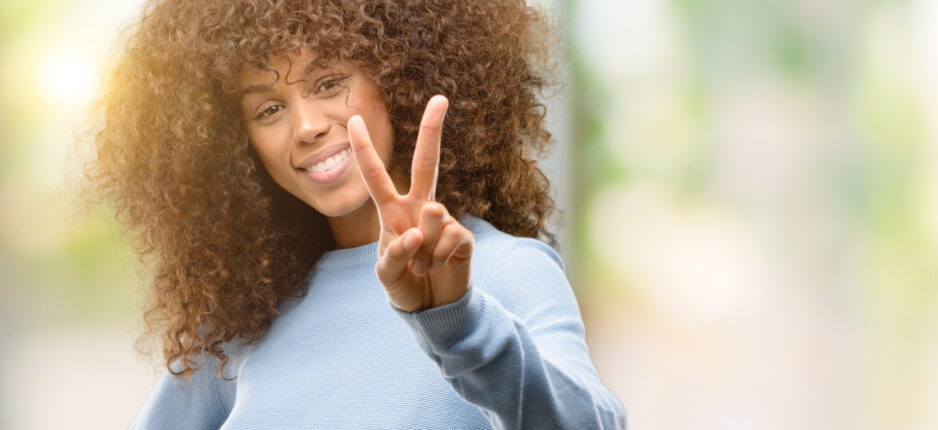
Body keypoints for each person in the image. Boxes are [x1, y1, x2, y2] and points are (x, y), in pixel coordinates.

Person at [85, 0, 626, 428]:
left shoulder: (506, 271)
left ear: (399, 73)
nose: (307, 126)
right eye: (269, 109)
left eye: (327, 83)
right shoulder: (240, 327)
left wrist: (456, 322)